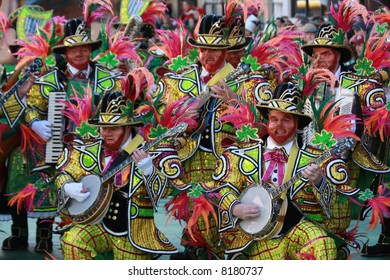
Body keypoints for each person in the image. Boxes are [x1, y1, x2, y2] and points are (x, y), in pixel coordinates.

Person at [153, 14, 274, 259]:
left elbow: (267, 128)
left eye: (216, 50)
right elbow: (158, 125)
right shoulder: (178, 81)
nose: (209, 55)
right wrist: (181, 117)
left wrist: (236, 102)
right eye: (204, 49)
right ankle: (197, 250)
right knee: (196, 215)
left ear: (227, 50)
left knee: (226, 218)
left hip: (230, 162)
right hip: (190, 159)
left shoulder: (247, 80)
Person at [213, 82, 356, 260]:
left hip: (298, 230)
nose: (279, 126)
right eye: (274, 119)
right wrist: (235, 207)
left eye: (286, 120)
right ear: (267, 122)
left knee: (323, 245)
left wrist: (319, 181)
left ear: (297, 124)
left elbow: (337, 207)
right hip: (255, 237)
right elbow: (223, 187)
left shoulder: (316, 157)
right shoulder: (243, 153)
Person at [54, 90, 183, 260]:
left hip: (132, 231)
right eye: (103, 128)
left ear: (128, 126)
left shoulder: (150, 150)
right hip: (97, 225)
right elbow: (65, 172)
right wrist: (68, 186)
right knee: (72, 241)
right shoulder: (90, 147)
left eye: (113, 128)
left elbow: (165, 191)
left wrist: (149, 170)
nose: (106, 133)